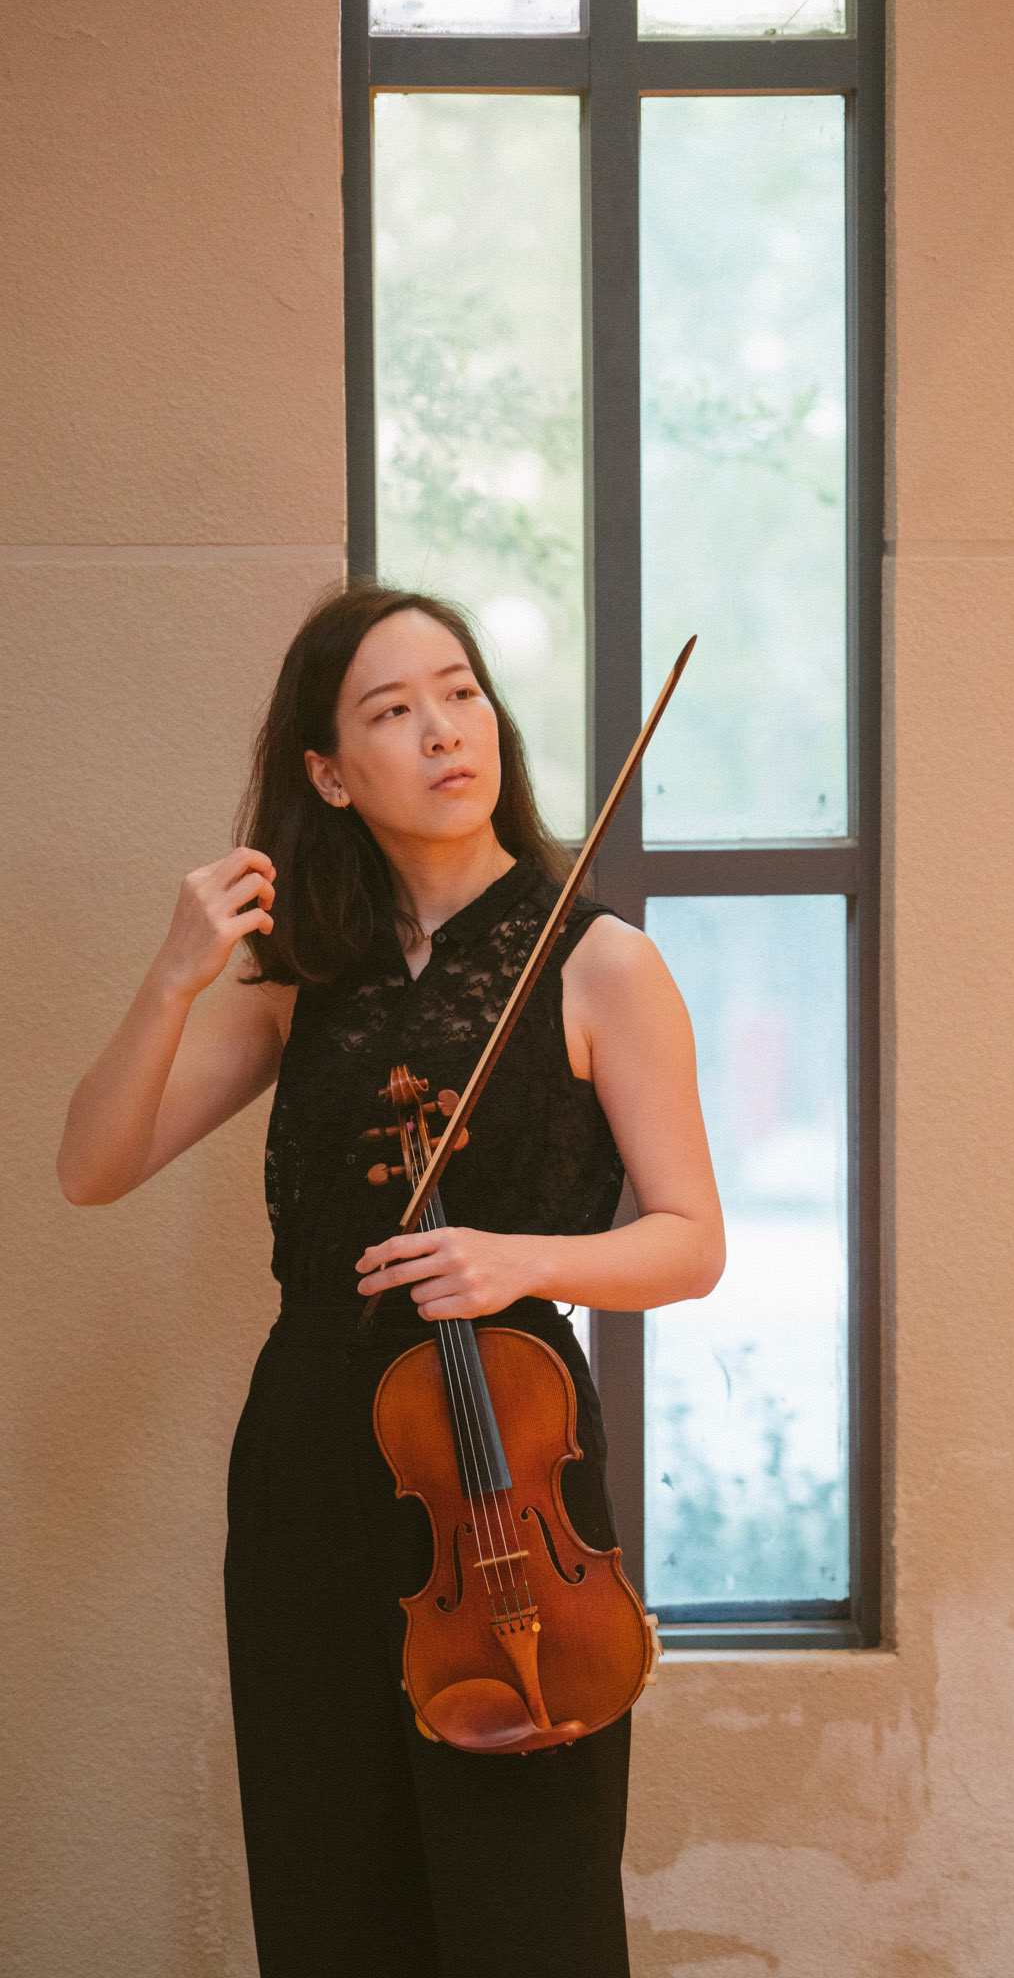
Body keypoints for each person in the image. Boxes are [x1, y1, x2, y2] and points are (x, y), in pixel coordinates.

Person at [57, 582, 726, 1978]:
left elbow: (690, 1240)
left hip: (505, 1467)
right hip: (309, 1464)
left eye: (462, 692)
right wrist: (175, 978)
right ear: (327, 772)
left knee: (525, 1911)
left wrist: (515, 1259)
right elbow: (91, 1166)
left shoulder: (601, 962)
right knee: (330, 1891)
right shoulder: (307, 980)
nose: (443, 730)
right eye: (393, 709)